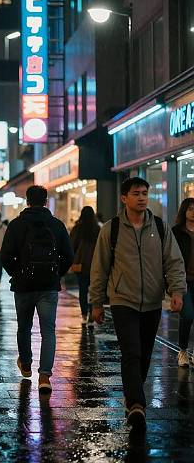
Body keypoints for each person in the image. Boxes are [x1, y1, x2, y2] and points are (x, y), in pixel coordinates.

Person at [90, 177, 185, 432]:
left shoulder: (161, 228)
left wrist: (177, 291)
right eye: (136, 194)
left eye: (145, 193)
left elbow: (174, 262)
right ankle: (136, 404)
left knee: (143, 355)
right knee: (131, 352)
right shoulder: (112, 229)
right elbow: (99, 268)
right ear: (124, 198)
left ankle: (133, 397)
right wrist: (96, 302)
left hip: (153, 302)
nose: (142, 198)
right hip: (123, 300)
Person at [0, 185, 73, 394]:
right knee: (48, 330)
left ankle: (25, 363)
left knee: (24, 326)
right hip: (48, 286)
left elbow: (5, 256)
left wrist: (17, 273)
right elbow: (68, 256)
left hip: (23, 286)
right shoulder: (56, 225)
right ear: (46, 200)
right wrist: (56, 274)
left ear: (27, 201)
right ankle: (44, 376)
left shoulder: (16, 225)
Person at [172, 198, 194, 368]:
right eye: (190, 209)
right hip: (183, 282)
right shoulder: (176, 232)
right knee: (187, 315)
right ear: (184, 212)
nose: (193, 212)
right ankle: (183, 350)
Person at [69, 206, 100, 326]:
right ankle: (92, 316)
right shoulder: (97, 229)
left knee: (82, 290)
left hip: (81, 265)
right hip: (95, 265)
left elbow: (72, 246)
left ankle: (84, 315)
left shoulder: (77, 229)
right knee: (93, 291)